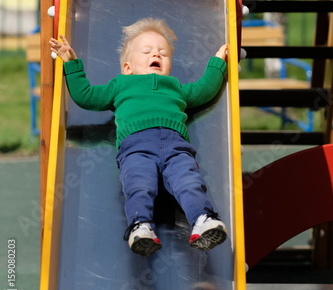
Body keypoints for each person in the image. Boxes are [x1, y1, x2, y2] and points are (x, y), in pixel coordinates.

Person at [50, 17, 229, 257]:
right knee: (138, 184)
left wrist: (217, 63)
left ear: (168, 66)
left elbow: (203, 91)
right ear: (128, 67)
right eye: (147, 51)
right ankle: (140, 225)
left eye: (163, 53)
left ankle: (202, 219)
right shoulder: (121, 85)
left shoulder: (175, 87)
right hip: (136, 148)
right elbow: (86, 96)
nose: (156, 54)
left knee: (190, 181)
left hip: (177, 148)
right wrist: (71, 64)